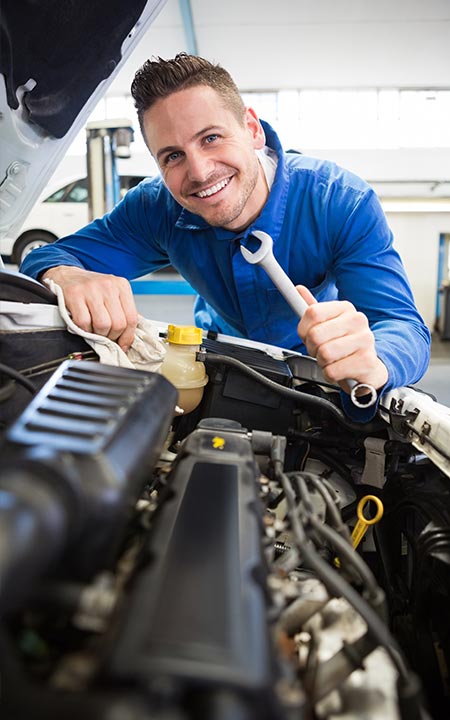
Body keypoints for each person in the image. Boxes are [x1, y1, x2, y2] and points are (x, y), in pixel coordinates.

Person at [20, 53, 430, 421]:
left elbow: (402, 325)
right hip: (216, 365)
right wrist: (66, 275)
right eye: (173, 156)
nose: (198, 172)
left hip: (316, 375)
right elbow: (49, 257)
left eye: (211, 138)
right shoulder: (155, 208)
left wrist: (375, 359)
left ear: (252, 129)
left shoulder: (338, 201)